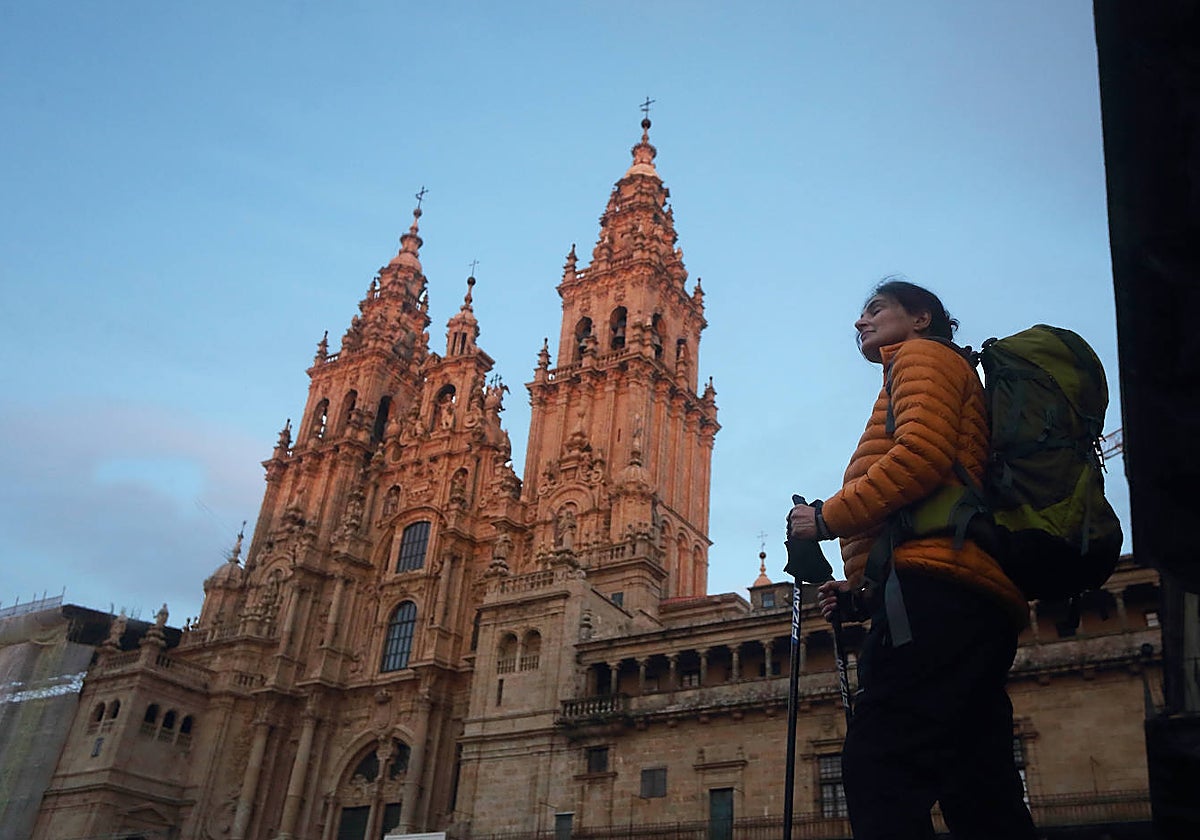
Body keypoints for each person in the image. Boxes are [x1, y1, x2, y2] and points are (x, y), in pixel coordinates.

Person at [787, 279, 1036, 839]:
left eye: (875, 309)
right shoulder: (933, 368)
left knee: (881, 766)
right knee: (977, 784)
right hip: (958, 596)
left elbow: (920, 458)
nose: (860, 322)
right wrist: (862, 594)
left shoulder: (922, 358)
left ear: (920, 317)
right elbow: (927, 502)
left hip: (934, 599)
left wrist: (825, 518)